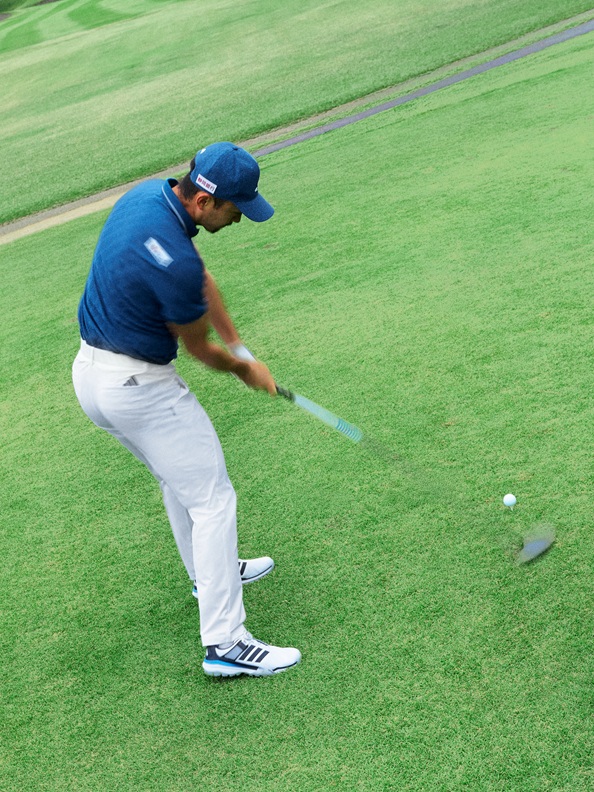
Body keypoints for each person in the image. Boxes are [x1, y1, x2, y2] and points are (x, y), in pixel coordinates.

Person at [72, 142, 301, 678]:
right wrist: (246, 370)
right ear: (202, 200)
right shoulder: (171, 262)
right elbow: (200, 351)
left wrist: (241, 345)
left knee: (183, 485)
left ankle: (208, 573)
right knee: (215, 500)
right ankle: (225, 643)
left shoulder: (147, 198)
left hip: (91, 375)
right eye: (236, 208)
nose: (241, 216)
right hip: (138, 386)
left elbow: (202, 280)